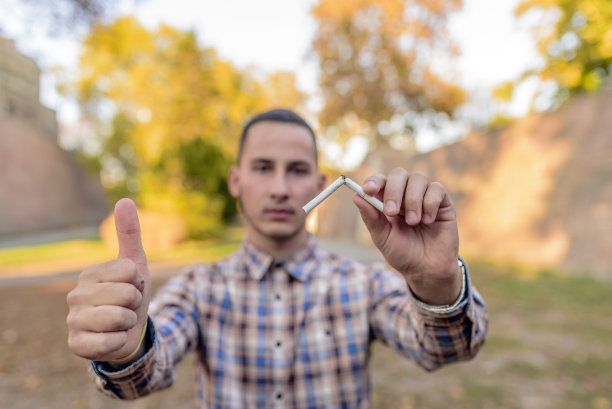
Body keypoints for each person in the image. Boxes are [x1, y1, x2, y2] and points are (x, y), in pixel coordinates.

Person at [66, 109, 488, 408]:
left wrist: (436, 282)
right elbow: (143, 375)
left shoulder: (361, 283)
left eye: (298, 170)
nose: (281, 188)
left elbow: (445, 351)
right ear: (236, 180)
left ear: (321, 184)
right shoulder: (199, 287)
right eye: (264, 167)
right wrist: (126, 351)